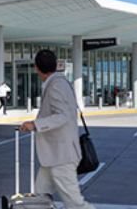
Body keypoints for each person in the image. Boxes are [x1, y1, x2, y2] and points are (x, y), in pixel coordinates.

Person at [19, 50, 94, 209]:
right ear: (56, 65)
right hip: (53, 156)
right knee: (41, 197)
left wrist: (36, 125)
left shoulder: (56, 85)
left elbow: (64, 115)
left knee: (74, 203)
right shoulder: (59, 82)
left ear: (36, 68)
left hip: (61, 156)